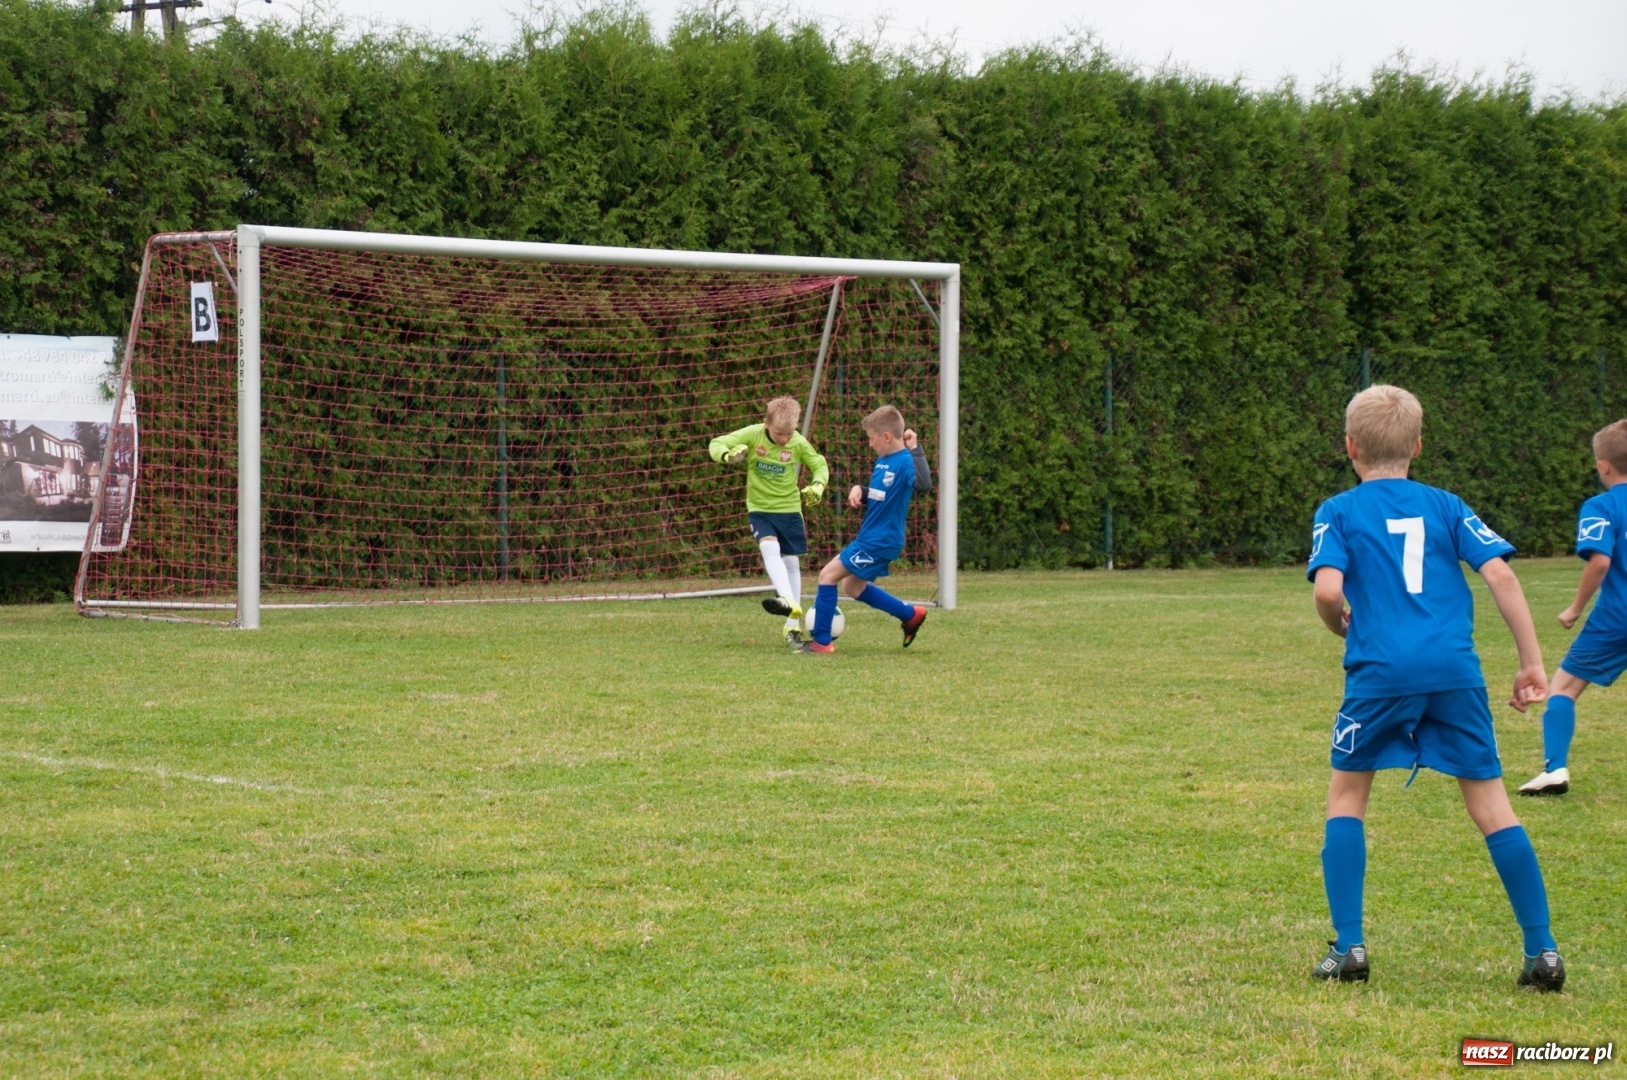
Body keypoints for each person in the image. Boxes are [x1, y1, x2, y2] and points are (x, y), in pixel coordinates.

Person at [1306, 384, 1564, 991]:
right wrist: (1531, 662)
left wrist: (1339, 624)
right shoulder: (1448, 506)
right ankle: (1542, 951)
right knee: (1492, 804)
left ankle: (1350, 947)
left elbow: (1325, 590)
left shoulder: (1337, 511)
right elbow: (1499, 572)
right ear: (1417, 446)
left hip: (1380, 673)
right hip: (1454, 671)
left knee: (1347, 798)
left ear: (1350, 448)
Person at [1519, 419, 1627, 797]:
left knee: (1563, 687)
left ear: (1603, 466)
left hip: (1618, 617)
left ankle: (1555, 769)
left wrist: (1575, 608)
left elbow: (1600, 562)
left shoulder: (1601, 505)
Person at [799, 404, 931, 654]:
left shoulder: (904, 461)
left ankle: (822, 642)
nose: (870, 445)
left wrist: (916, 449)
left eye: (872, 439)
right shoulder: (883, 461)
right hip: (872, 537)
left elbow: (924, 485)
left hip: (879, 541)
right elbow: (884, 495)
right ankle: (911, 614)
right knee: (852, 587)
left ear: (886, 437)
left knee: (827, 576)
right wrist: (862, 490)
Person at [708, 396, 830, 643]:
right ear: (766, 423)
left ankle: (792, 624)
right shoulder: (754, 434)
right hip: (760, 508)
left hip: (789, 510)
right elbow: (717, 442)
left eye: (789, 433)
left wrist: (817, 486)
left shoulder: (798, 443)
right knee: (769, 547)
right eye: (778, 433)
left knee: (792, 563)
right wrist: (727, 456)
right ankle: (786, 598)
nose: (784, 439)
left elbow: (819, 464)